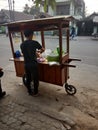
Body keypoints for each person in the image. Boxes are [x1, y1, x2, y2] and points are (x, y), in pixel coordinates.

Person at [20, 29, 45, 96]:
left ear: (25, 35)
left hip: (26, 64)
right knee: (35, 78)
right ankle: (36, 92)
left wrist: (34, 53)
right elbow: (42, 49)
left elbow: (23, 53)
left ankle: (29, 91)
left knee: (28, 78)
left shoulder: (22, 44)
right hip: (33, 64)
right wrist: (38, 53)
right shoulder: (34, 42)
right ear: (31, 35)